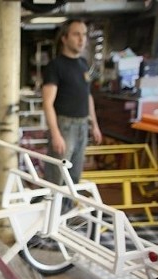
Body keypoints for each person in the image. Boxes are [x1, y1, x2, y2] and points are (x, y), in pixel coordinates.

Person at [42, 18, 103, 188]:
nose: (81, 39)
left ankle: (66, 213)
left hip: (82, 125)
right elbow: (47, 103)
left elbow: (87, 96)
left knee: (74, 177)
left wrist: (94, 125)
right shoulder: (55, 66)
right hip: (65, 126)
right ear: (64, 38)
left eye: (84, 35)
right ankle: (51, 213)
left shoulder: (83, 64)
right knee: (57, 176)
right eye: (76, 34)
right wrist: (55, 134)